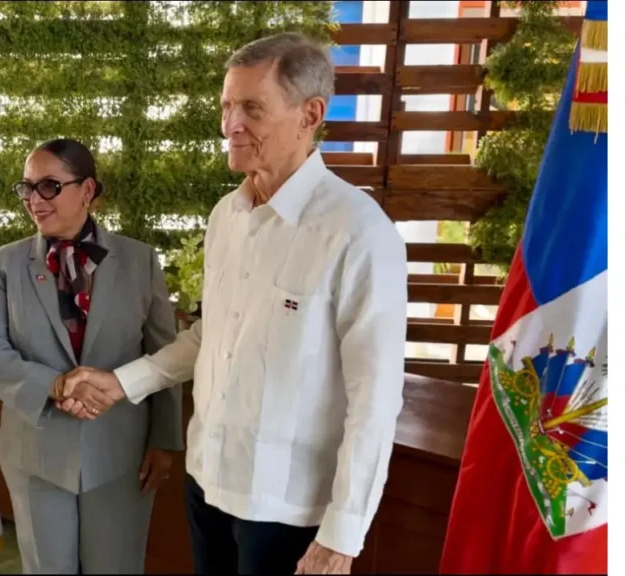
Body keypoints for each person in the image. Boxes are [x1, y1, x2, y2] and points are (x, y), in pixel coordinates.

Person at [55, 33, 409, 575]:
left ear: (310, 114)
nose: (230, 125)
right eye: (226, 106)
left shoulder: (359, 233)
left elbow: (375, 398)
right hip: (207, 484)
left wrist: (342, 536)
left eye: (252, 108)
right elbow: (212, 335)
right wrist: (122, 383)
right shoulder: (227, 215)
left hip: (287, 510)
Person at [0, 138, 184, 574]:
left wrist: (165, 440)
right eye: (27, 188)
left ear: (87, 190)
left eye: (49, 186)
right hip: (36, 454)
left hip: (121, 453)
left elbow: (163, 353)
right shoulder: (4, 265)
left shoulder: (139, 260)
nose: (34, 200)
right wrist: (54, 384)